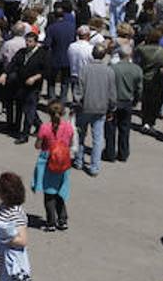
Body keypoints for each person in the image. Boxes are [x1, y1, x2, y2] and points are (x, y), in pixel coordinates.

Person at [72, 43, 115, 177]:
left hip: (85, 107)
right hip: (101, 108)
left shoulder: (84, 69)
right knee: (97, 138)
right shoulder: (109, 71)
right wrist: (112, 108)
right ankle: (94, 167)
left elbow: (79, 89)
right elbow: (112, 93)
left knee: (81, 134)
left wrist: (76, 102)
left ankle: (79, 161)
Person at [34, 102, 76, 232]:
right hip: (63, 161)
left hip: (48, 161)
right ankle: (62, 220)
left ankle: (51, 222)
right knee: (60, 191)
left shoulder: (44, 128)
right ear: (63, 113)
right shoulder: (68, 127)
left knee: (49, 193)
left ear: (48, 114)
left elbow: (38, 145)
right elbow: (70, 143)